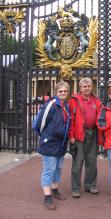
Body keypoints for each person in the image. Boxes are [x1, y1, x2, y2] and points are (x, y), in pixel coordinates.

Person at [35, 81, 71, 210]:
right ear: (56, 92)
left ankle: (55, 189)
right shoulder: (50, 104)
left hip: (61, 143)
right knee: (49, 170)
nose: (62, 93)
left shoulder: (66, 105)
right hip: (50, 142)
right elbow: (39, 123)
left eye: (65, 91)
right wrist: (46, 137)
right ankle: (47, 196)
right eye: (60, 91)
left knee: (58, 168)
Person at [68, 78, 101, 198]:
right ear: (80, 88)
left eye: (89, 86)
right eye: (84, 86)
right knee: (78, 161)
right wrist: (71, 136)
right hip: (79, 135)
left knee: (92, 161)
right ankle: (76, 188)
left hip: (93, 133)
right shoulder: (74, 100)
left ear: (92, 87)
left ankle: (90, 185)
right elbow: (70, 120)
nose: (87, 88)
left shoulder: (96, 100)